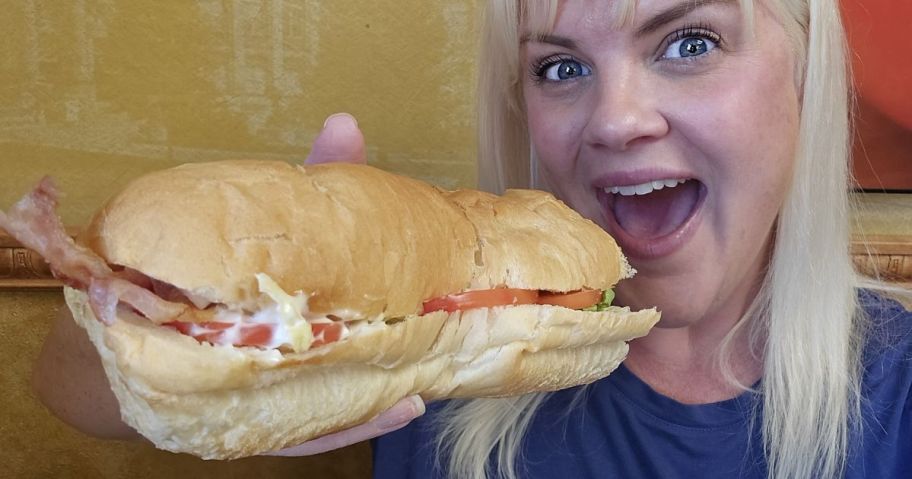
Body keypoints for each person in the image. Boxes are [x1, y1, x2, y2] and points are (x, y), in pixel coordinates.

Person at [32, 1, 912, 478]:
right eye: (560, 68)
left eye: (688, 41)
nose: (615, 118)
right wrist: (261, 289)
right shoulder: (437, 341)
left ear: (805, 73)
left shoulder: (899, 386)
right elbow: (66, 389)